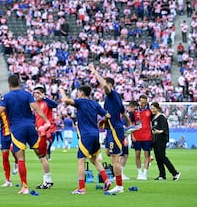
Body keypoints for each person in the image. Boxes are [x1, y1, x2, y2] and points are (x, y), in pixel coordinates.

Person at [0, 75, 51, 195]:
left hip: (17, 129)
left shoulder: (7, 97)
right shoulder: (27, 94)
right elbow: (37, 109)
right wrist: (46, 121)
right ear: (19, 83)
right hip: (30, 127)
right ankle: (48, 179)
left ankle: (25, 186)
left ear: (9, 84)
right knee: (41, 156)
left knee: (21, 159)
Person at [59, 85, 112, 195]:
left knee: (81, 161)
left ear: (82, 93)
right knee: (94, 160)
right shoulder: (95, 104)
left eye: (78, 92)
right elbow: (107, 115)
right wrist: (102, 121)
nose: (77, 94)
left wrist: (62, 91)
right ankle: (106, 180)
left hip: (86, 135)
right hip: (95, 134)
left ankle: (81, 188)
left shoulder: (81, 102)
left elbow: (65, 100)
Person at [90, 64, 132, 193]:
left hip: (115, 130)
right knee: (108, 152)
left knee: (115, 158)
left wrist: (94, 71)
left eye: (105, 86)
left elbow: (105, 85)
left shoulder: (112, 94)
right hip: (111, 129)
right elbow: (123, 112)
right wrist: (129, 125)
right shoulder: (113, 98)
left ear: (109, 85)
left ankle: (119, 186)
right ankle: (117, 179)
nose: (103, 88)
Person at [0, 85, 18, 187]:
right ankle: (8, 180)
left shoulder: (7, 101)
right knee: (5, 156)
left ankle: (17, 161)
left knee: (14, 150)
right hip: (4, 133)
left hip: (14, 130)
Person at [33, 84, 57, 189]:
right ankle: (46, 181)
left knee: (43, 157)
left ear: (43, 94)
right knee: (44, 157)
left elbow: (55, 104)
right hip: (41, 133)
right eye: (35, 93)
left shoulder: (46, 102)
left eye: (38, 93)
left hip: (48, 132)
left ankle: (47, 181)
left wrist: (45, 98)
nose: (36, 95)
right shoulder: (35, 105)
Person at [150, 102, 181, 181]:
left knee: (162, 156)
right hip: (155, 139)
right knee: (158, 158)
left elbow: (164, 129)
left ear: (157, 108)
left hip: (161, 139)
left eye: (154, 108)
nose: (152, 110)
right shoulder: (154, 117)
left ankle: (175, 173)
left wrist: (158, 131)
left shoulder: (161, 117)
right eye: (151, 108)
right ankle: (162, 175)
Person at [132, 94, 153, 180]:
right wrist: (132, 135)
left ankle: (145, 173)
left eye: (145, 102)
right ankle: (139, 172)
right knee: (137, 154)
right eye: (141, 102)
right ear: (139, 101)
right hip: (137, 136)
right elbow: (131, 124)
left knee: (147, 154)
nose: (143, 104)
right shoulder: (135, 111)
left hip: (147, 136)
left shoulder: (150, 111)